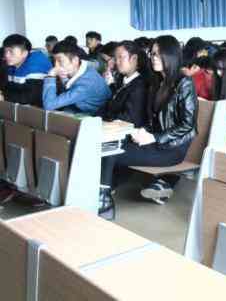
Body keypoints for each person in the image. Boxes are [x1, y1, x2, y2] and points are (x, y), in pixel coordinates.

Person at [99, 35, 198, 217]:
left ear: (170, 55)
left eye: (158, 54)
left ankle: (104, 202)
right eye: (152, 54)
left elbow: (187, 125)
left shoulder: (184, 83)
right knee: (111, 145)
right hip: (155, 141)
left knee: (112, 151)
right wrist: (143, 131)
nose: (154, 58)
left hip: (172, 148)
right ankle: (104, 192)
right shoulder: (156, 82)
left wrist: (153, 137)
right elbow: (153, 118)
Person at [42, 40, 111, 114]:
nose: (56, 66)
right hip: (79, 109)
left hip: (94, 116)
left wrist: (50, 75)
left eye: (60, 61)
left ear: (75, 60)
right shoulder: (84, 70)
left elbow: (49, 105)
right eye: (54, 61)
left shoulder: (86, 83)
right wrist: (63, 78)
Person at [99, 41, 148, 127]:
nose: (117, 62)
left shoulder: (139, 86)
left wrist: (105, 119)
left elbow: (129, 119)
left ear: (134, 58)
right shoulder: (121, 81)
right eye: (116, 58)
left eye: (121, 57)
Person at [1, 34, 52, 106]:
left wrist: (4, 97)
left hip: (42, 109)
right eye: (5, 51)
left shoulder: (36, 63)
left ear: (24, 53)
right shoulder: (12, 63)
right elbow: (9, 88)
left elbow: (30, 97)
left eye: (11, 52)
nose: (6, 55)